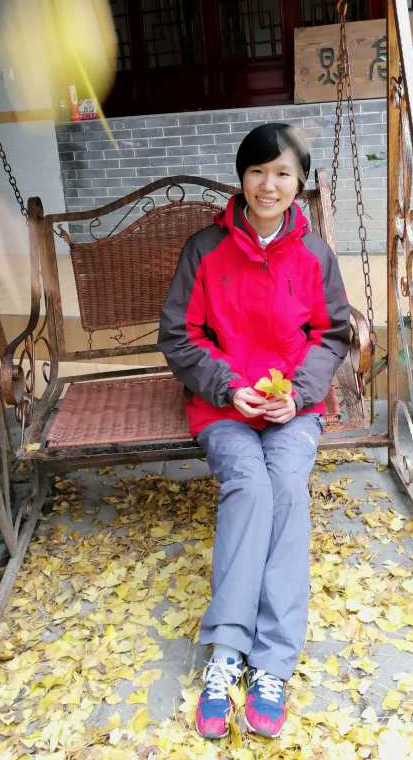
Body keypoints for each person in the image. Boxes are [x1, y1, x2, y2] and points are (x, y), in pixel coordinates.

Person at [158, 122, 350, 740]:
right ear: (241, 178)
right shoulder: (205, 249)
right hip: (224, 406)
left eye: (283, 173)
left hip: (294, 406)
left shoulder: (315, 254)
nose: (269, 185)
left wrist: (298, 393)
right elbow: (179, 335)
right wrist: (225, 385)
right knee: (249, 486)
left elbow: (332, 334)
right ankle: (226, 651)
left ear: (300, 182)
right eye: (258, 172)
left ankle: (272, 663)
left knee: (286, 487)